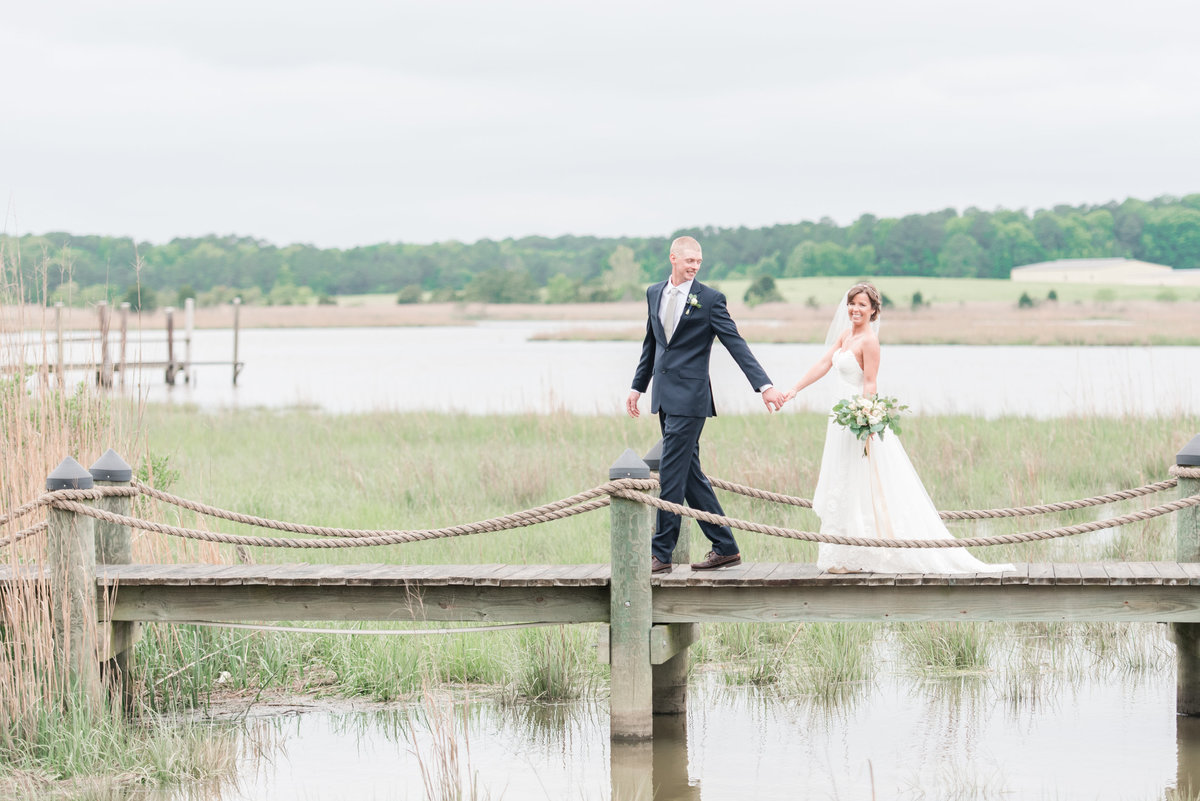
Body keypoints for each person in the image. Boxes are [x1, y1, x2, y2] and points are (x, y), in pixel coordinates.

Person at [781, 282, 1013, 574]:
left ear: (874, 311)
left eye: (862, 305)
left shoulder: (869, 341)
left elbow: (870, 382)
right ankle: (840, 555)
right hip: (838, 420)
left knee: (863, 480)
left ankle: (865, 555)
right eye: (852, 303)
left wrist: (865, 416)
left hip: (857, 419)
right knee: (844, 479)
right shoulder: (845, 335)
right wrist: (794, 390)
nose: (855, 309)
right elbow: (824, 363)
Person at [627, 236, 784, 573]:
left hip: (692, 400)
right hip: (664, 397)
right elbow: (651, 344)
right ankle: (725, 546)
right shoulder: (654, 292)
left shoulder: (710, 299)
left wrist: (764, 386)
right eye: (689, 260)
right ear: (673, 258)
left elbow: (735, 343)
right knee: (690, 475)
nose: (695, 266)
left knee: (670, 472)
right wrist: (637, 387)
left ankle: (661, 555)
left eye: (699, 261)